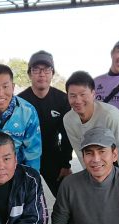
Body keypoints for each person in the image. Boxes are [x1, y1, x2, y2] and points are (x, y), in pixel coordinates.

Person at [19, 50, 73, 196]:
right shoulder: (20, 102)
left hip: (53, 156)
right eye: (36, 70)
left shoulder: (62, 99)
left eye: (46, 69)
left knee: (67, 198)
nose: (41, 74)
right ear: (29, 74)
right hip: (26, 158)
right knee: (24, 201)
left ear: (52, 73)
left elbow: (67, 134)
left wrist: (65, 164)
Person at [63, 71, 119, 168]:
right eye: (72, 96)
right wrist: (91, 177)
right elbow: (81, 154)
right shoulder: (68, 119)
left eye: (83, 94)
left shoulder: (110, 115)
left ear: (93, 94)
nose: (78, 100)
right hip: (101, 162)